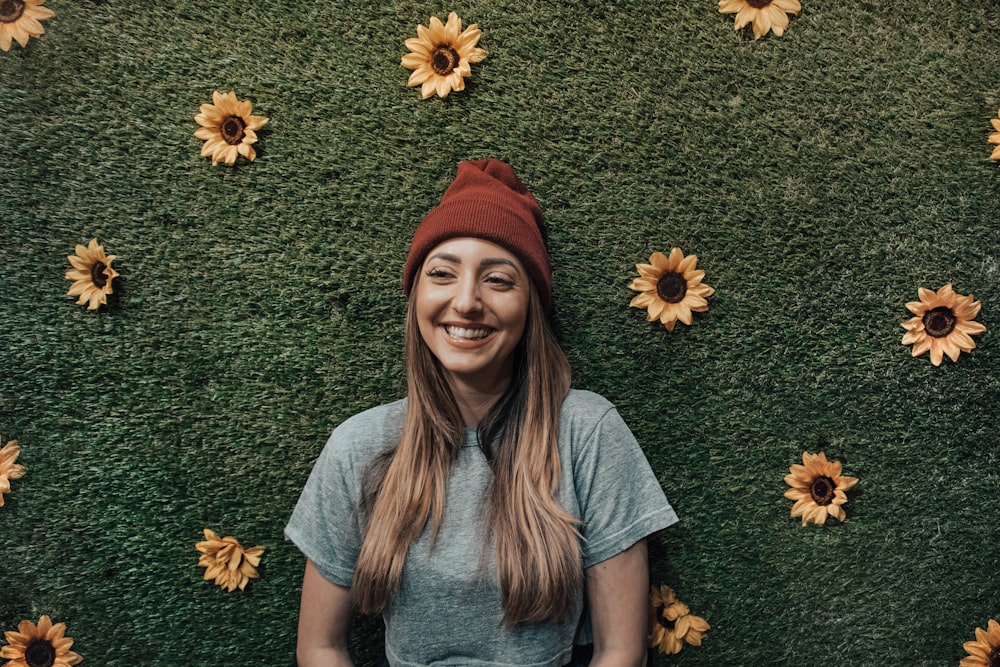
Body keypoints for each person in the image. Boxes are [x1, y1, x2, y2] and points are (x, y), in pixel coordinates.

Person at [285, 158, 678, 667]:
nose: (466, 301)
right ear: (417, 296)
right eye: (443, 273)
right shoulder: (357, 444)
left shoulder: (588, 432)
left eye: (498, 280)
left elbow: (621, 653)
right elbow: (319, 647)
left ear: (530, 307)